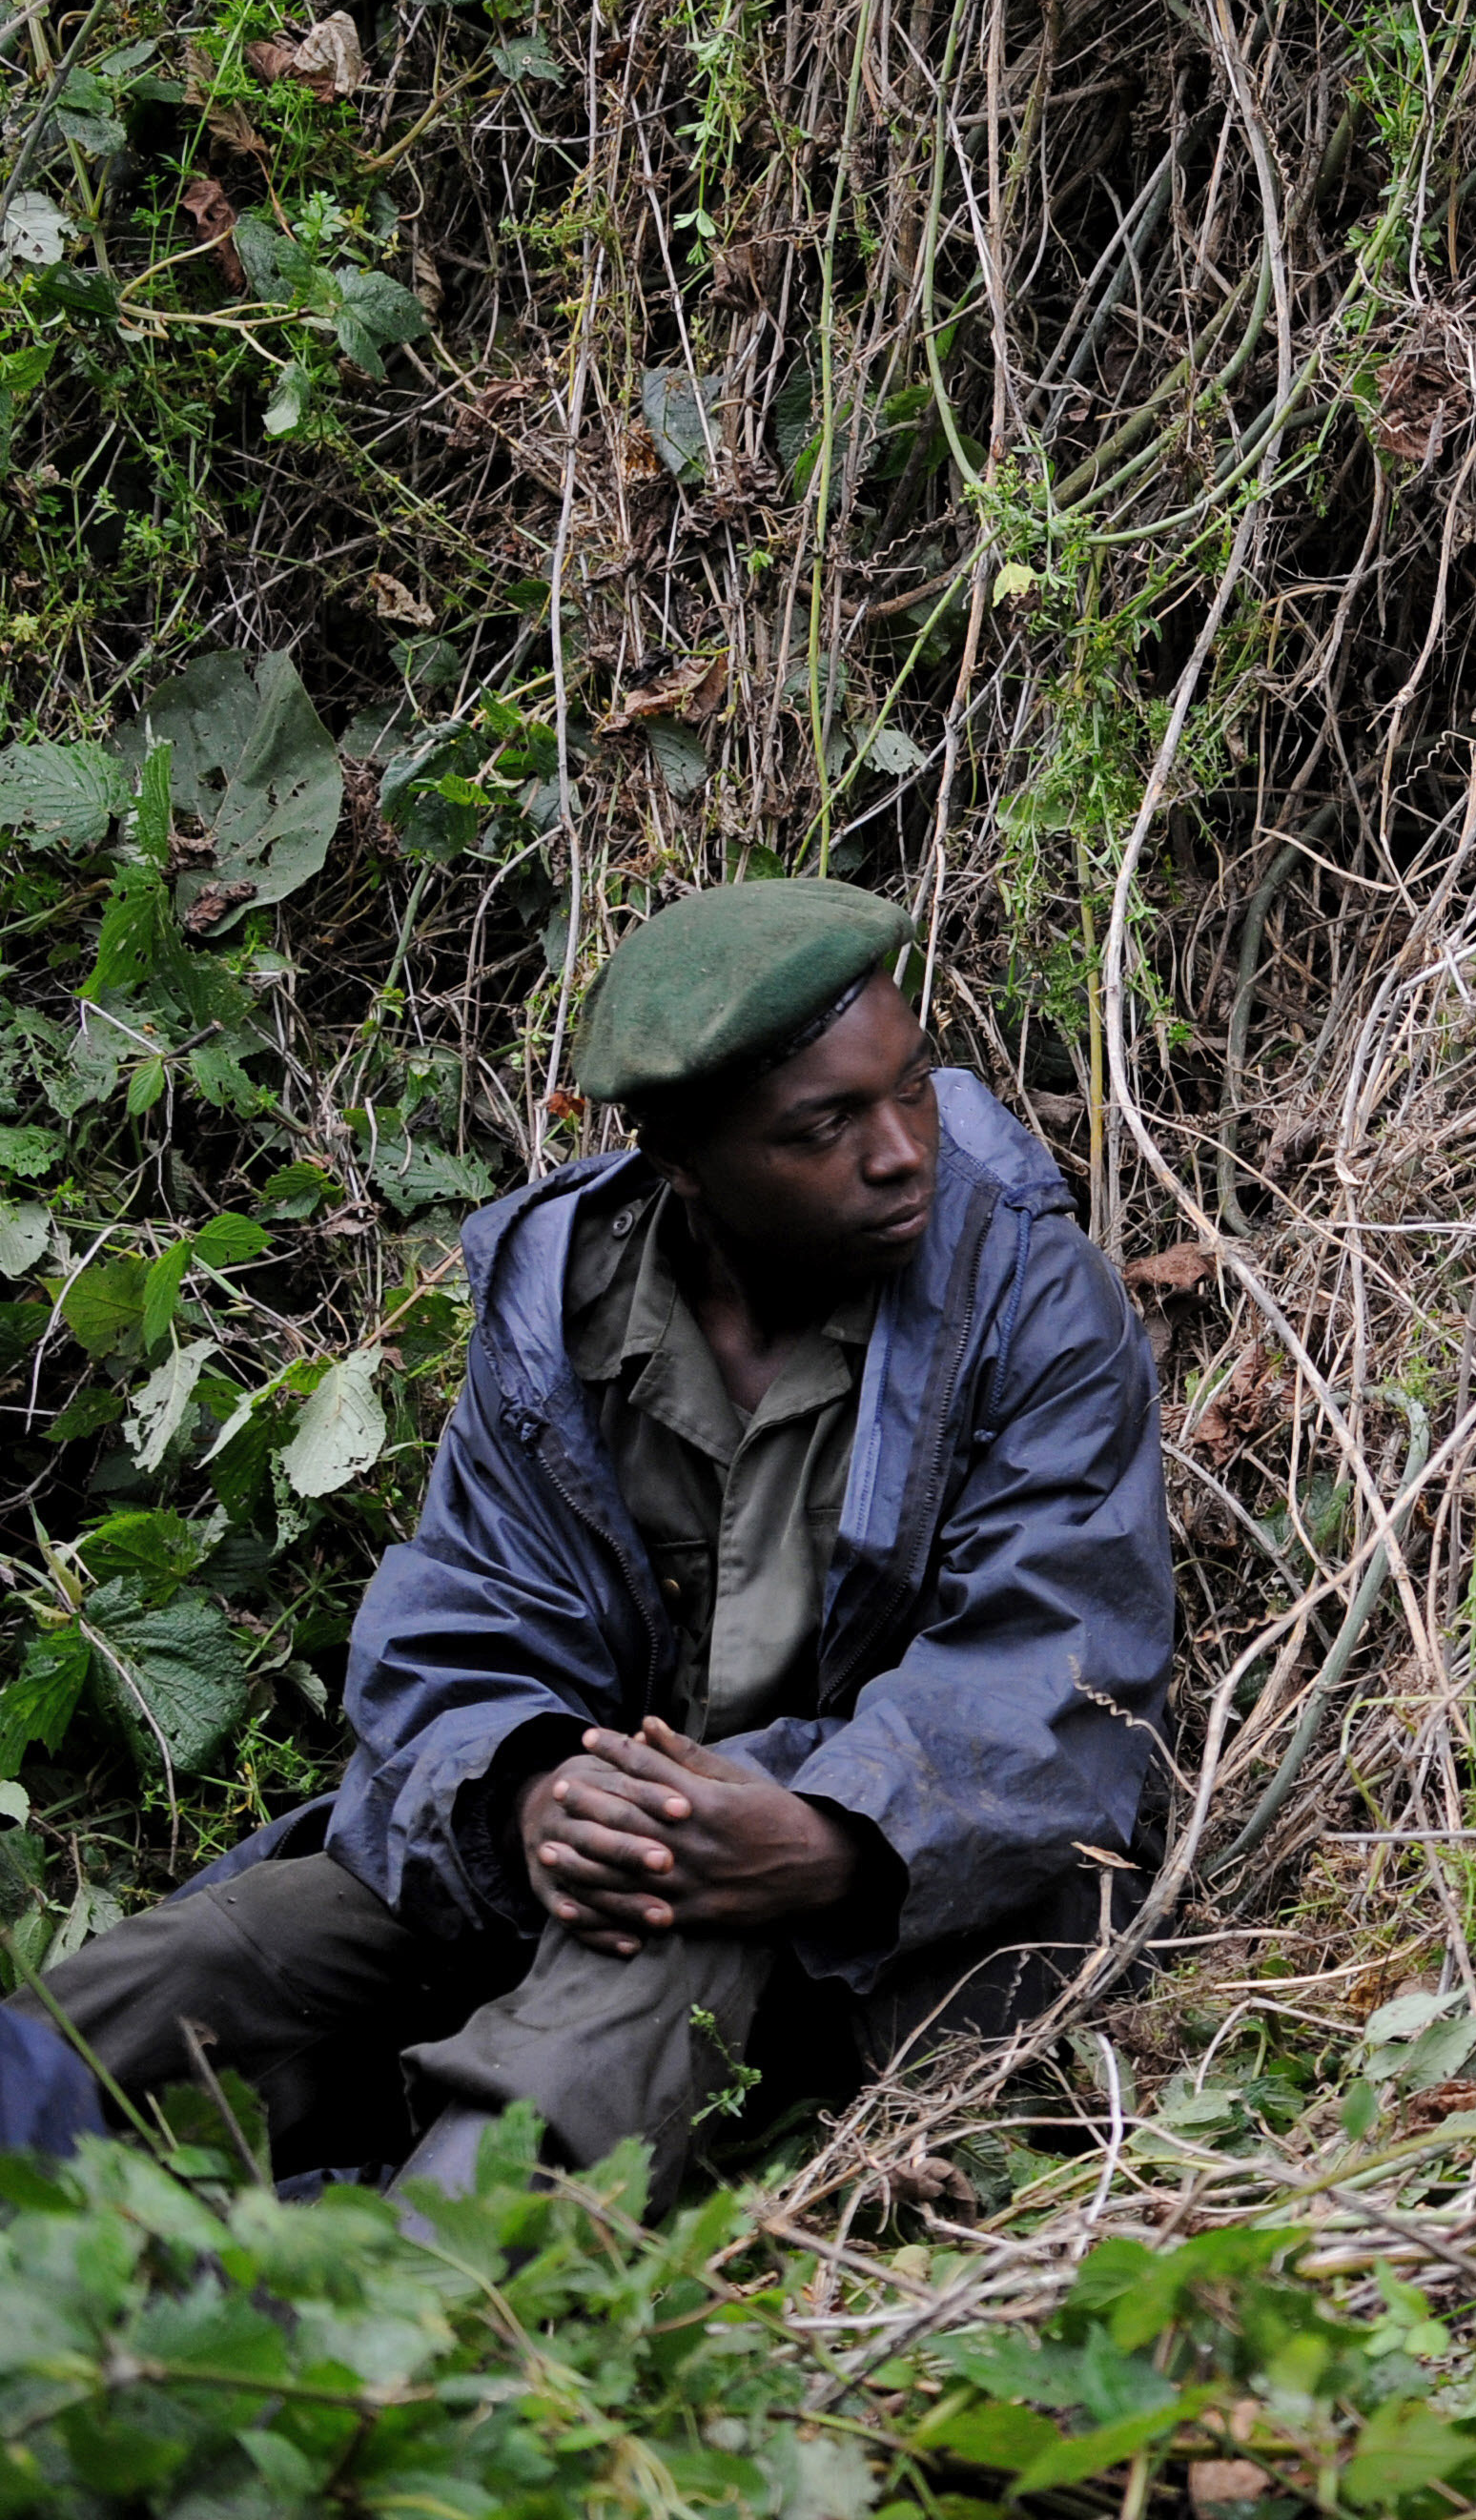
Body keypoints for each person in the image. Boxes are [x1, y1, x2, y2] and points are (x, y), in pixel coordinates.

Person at [18, 878, 1173, 2204]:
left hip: (894, 1909)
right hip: (583, 1867)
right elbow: (463, 1616)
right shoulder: (561, 1309)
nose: (905, 1149)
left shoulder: (1026, 1299)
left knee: (653, 1955)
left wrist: (828, 1835)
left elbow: (1060, 1660)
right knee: (233, 1952)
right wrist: (529, 1795)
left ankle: (404, 2327)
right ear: (680, 1161)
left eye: (912, 1087)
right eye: (825, 1126)